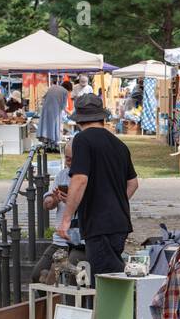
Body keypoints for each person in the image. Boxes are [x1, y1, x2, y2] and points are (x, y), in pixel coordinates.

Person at [57, 94, 139, 275]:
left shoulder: (82, 140)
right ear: (102, 116)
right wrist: (116, 202)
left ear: (79, 119)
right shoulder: (119, 144)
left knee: (106, 280)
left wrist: (66, 219)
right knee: (112, 275)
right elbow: (132, 183)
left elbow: (80, 179)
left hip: (99, 222)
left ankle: (133, 300)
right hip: (119, 222)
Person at [39, 78, 72, 146]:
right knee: (54, 128)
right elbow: (64, 107)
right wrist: (71, 114)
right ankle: (53, 145)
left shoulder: (53, 87)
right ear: (68, 89)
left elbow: (43, 97)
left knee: (46, 127)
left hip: (45, 109)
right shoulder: (64, 91)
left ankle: (46, 144)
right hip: (55, 111)